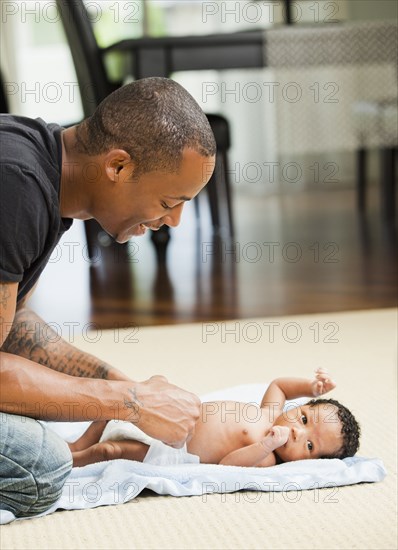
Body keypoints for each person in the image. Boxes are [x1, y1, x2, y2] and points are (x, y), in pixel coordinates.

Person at [0, 77, 216, 517]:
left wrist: (125, 385)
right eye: (170, 200)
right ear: (117, 166)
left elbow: (12, 325)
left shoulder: (38, 166)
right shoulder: (15, 185)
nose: (174, 221)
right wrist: (132, 403)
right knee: (41, 466)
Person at [68, 369, 361, 468]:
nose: (298, 433)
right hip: (175, 414)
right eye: (305, 420)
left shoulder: (268, 457)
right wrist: (311, 387)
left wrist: (267, 444)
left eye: (310, 447)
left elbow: (228, 465)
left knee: (110, 451)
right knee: (138, 393)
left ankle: (74, 461)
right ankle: (81, 441)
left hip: (177, 450)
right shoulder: (271, 412)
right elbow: (280, 385)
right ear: (301, 407)